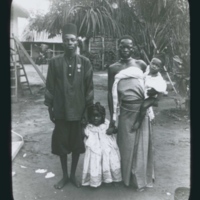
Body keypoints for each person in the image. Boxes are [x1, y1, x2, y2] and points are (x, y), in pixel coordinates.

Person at [44, 23, 94, 189]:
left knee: (76, 144)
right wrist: (50, 107)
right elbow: (50, 86)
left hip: (79, 111)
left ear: (77, 42)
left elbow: (89, 88)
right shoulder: (55, 62)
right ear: (63, 42)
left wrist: (87, 110)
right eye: (67, 40)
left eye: (73, 40)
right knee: (62, 144)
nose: (70, 43)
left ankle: (73, 175)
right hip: (61, 110)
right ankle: (64, 176)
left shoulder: (85, 62)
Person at [107, 35, 158, 191]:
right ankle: (126, 177)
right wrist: (112, 119)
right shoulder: (113, 68)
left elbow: (151, 84)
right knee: (126, 145)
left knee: (141, 145)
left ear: (133, 48)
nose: (126, 50)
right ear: (118, 48)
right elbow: (110, 93)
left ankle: (140, 179)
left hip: (141, 110)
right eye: (123, 46)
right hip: (125, 111)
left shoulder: (141, 64)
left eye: (129, 47)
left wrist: (149, 106)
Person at [82, 102, 122, 187]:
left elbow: (115, 129)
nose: (96, 118)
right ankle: (96, 180)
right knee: (95, 161)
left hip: (107, 147)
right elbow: (84, 134)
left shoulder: (106, 124)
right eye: (93, 116)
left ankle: (109, 178)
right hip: (94, 149)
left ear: (103, 116)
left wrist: (113, 129)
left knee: (109, 160)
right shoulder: (89, 127)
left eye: (98, 116)